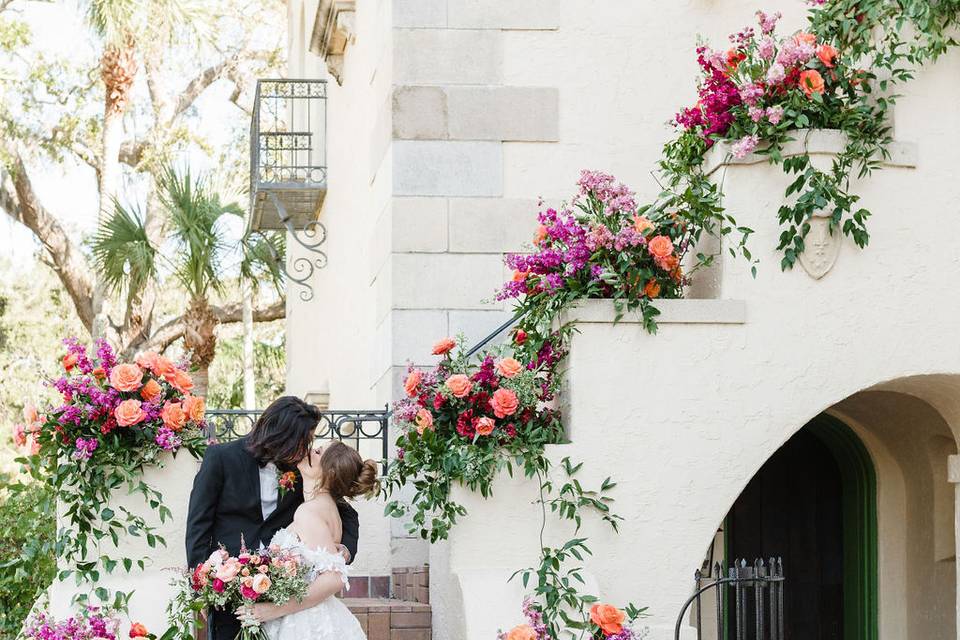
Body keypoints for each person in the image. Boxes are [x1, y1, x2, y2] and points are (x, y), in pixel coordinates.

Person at [185, 396, 360, 640]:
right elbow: (197, 526)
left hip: (282, 591)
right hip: (229, 590)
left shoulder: (302, 470)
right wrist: (202, 588)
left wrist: (345, 552)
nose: (306, 447)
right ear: (281, 434)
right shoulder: (220, 458)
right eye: (303, 440)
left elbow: (346, 513)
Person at [237, 441, 379, 639]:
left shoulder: (309, 512)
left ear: (330, 473)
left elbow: (334, 578)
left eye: (318, 451)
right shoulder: (324, 507)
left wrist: (272, 610)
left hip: (305, 624)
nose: (310, 449)